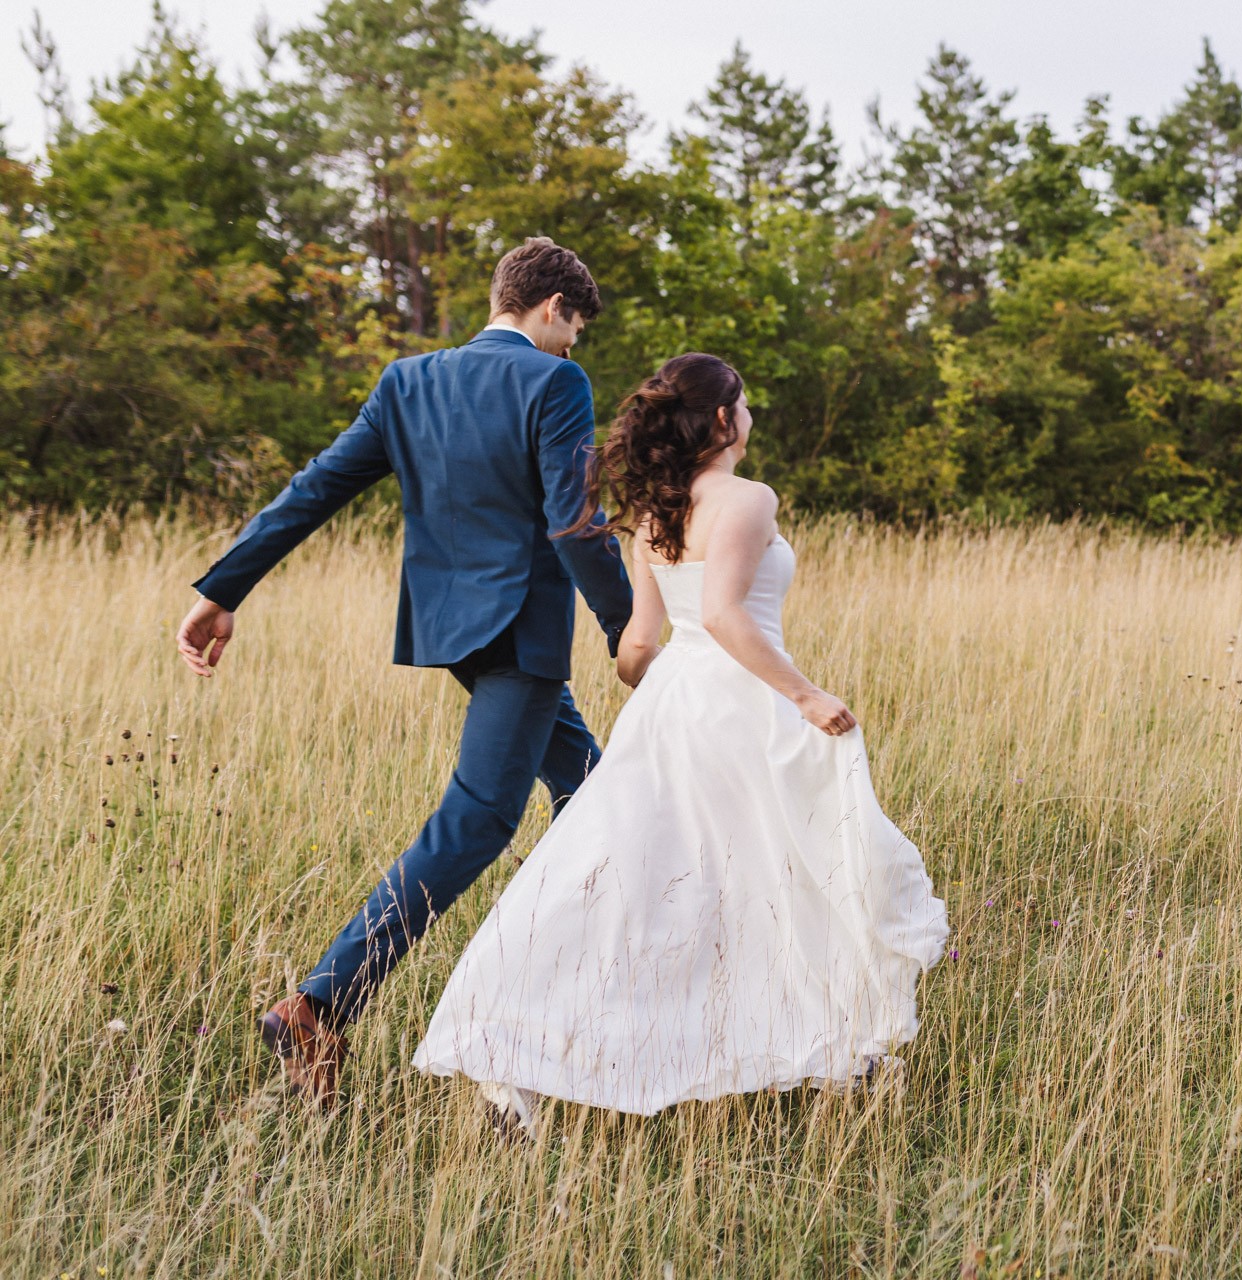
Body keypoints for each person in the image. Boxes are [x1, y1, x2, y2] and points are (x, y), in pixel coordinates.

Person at [412, 352, 947, 1131]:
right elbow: (729, 615)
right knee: (781, 868)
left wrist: (669, 676)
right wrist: (805, 694)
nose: (752, 413)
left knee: (629, 878)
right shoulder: (748, 499)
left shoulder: (658, 515)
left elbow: (634, 649)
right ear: (724, 418)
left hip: (672, 703)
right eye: (746, 402)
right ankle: (835, 1050)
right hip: (744, 704)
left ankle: (513, 1049)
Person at [174, 238, 634, 1109]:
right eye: (572, 328)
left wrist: (223, 588)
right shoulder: (553, 381)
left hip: (453, 632)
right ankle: (320, 1004)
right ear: (548, 309)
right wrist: (627, 632)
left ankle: (604, 1014)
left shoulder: (407, 382)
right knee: (479, 819)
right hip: (522, 637)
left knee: (598, 801)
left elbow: (314, 488)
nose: (573, 346)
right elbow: (574, 519)